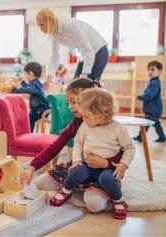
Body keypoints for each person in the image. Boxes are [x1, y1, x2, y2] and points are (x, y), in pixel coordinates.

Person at [20, 78, 123, 213]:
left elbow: (123, 152)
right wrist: (31, 167)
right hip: (80, 168)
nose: (70, 106)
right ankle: (71, 186)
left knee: (94, 205)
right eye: (69, 102)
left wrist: (106, 163)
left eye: (74, 102)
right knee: (38, 185)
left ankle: (107, 190)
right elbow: (55, 146)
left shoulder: (109, 124)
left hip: (103, 172)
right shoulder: (75, 123)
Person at [49, 88, 135, 220]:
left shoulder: (118, 129)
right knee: (75, 171)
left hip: (108, 168)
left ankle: (119, 200)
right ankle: (66, 191)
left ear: (101, 114)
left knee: (107, 179)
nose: (83, 119)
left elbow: (129, 148)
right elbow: (78, 142)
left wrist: (123, 164)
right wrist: (77, 160)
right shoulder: (86, 125)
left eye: (87, 116)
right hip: (87, 165)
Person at [36, 8, 109, 81]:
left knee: (87, 85)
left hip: (99, 50)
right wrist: (49, 77)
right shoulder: (54, 34)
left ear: (50, 21)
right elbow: (55, 57)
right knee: (75, 85)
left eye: (42, 25)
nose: (41, 29)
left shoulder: (70, 25)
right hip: (85, 55)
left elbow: (87, 50)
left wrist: (84, 74)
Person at [11, 61, 50, 132]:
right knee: (27, 116)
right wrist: (23, 82)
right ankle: (27, 132)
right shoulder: (36, 83)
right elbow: (28, 88)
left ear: (31, 73)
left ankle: (28, 133)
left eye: (26, 74)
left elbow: (27, 89)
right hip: (40, 109)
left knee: (28, 118)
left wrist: (14, 90)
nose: (25, 76)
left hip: (41, 110)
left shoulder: (34, 84)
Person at [133, 60, 166, 143]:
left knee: (145, 123)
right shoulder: (154, 82)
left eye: (153, 69)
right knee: (156, 123)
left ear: (160, 71)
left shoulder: (154, 83)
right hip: (155, 109)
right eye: (148, 70)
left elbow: (150, 95)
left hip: (153, 109)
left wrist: (140, 97)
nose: (150, 72)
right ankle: (162, 137)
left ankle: (141, 137)